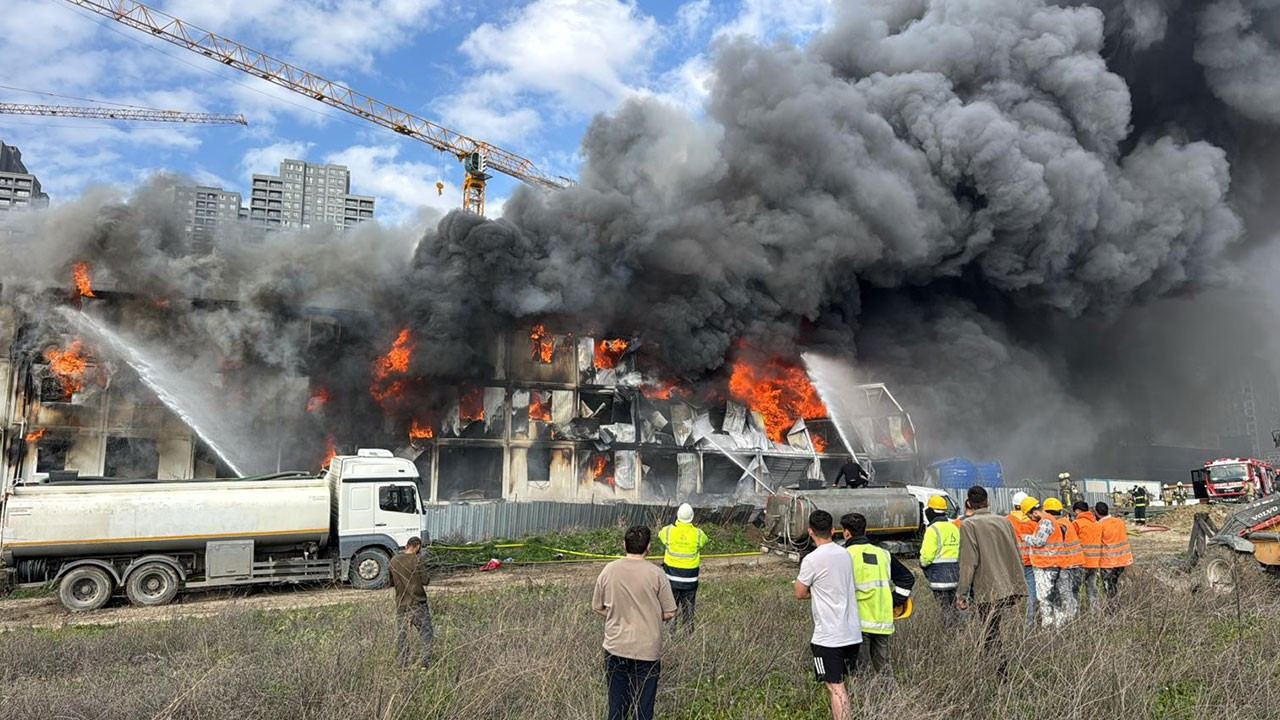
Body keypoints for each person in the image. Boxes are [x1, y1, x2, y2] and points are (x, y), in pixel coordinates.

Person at [592, 525, 676, 720]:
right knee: (643, 710)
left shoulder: (609, 570)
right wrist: (652, 615)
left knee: (617, 708)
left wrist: (616, 614)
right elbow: (670, 612)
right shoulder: (656, 574)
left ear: (624, 545)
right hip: (647, 650)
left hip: (615, 647)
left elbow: (597, 606)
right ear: (648, 547)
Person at [794, 510, 862, 720]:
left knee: (835, 688)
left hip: (829, 638)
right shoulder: (845, 554)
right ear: (833, 531)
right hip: (852, 634)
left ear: (809, 531)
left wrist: (816, 592)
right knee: (843, 684)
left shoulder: (812, 560)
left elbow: (799, 592)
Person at [955, 486, 1026, 678]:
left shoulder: (969, 525)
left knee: (990, 631)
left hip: (986, 588)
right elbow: (1015, 553)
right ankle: (997, 670)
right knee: (996, 629)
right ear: (988, 501)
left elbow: (968, 562)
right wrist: (1019, 586)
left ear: (969, 504)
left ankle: (1000, 673)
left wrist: (961, 594)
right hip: (1009, 586)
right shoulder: (1004, 521)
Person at [842, 512, 914, 675]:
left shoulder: (845, 555)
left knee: (862, 672)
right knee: (884, 671)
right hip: (882, 621)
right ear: (864, 530)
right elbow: (907, 578)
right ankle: (892, 699)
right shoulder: (883, 554)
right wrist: (894, 601)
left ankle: (869, 700)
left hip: (858, 621)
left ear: (846, 532)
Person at [1022, 497, 1084, 627]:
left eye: (1029, 515)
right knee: (1056, 597)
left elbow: (1038, 541)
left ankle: (1048, 626)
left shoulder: (1045, 522)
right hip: (1055, 564)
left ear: (1034, 512)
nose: (1030, 519)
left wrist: (1024, 537)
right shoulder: (1054, 521)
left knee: (1045, 598)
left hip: (1046, 566)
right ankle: (1059, 625)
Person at [657, 503, 708, 634]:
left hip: (671, 580)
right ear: (692, 517)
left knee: (670, 609)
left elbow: (660, 535)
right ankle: (688, 637)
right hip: (690, 582)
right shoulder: (698, 534)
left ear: (677, 516)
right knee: (689, 610)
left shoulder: (668, 531)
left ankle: (670, 636)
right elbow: (704, 541)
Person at [389, 536, 433, 670]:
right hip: (418, 604)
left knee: (402, 638)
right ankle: (424, 664)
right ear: (418, 546)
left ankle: (403, 665)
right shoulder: (417, 560)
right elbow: (426, 580)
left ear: (406, 545)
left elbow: (390, 582)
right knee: (427, 634)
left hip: (402, 605)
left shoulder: (394, 561)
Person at [919, 495, 961, 628]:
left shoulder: (933, 530)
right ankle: (958, 633)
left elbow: (926, 556)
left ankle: (949, 635)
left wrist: (923, 565)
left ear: (930, 512)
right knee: (954, 608)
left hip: (939, 577)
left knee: (945, 610)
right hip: (955, 576)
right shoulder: (954, 527)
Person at [1007, 495, 1039, 627]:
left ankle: (1009, 623)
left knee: (1010, 593)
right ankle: (1029, 623)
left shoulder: (1006, 521)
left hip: (1012, 563)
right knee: (1031, 593)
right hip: (1030, 562)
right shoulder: (1034, 521)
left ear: (1014, 505)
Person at [1095, 502, 1133, 598]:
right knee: (1115, 584)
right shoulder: (1119, 522)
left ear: (1096, 513)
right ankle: (1118, 605)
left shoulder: (1099, 525)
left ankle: (1112, 610)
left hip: (1108, 562)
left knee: (1109, 589)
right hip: (1122, 561)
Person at [1071, 501, 1102, 610]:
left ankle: (1075, 613)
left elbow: (1071, 541)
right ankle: (1095, 613)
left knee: (1075, 589)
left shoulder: (1077, 523)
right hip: (1094, 563)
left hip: (1081, 562)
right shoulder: (1097, 524)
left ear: (1078, 511)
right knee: (1091, 589)